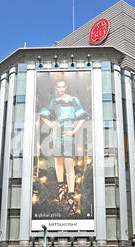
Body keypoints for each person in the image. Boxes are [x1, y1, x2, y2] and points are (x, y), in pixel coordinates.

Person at [39, 75, 88, 215]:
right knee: (58, 160)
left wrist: (74, 131)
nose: (61, 89)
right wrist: (50, 124)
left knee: (69, 164)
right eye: (58, 87)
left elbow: (83, 116)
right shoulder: (54, 101)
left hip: (68, 132)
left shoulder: (74, 100)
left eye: (63, 86)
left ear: (66, 87)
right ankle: (61, 189)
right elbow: (43, 114)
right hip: (57, 132)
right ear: (56, 88)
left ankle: (71, 198)